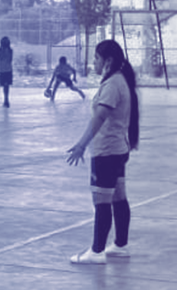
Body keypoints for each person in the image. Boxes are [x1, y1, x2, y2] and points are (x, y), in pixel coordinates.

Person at [65, 39, 140, 264]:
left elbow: (99, 117)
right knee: (118, 197)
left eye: (96, 58)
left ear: (108, 61)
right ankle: (120, 245)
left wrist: (81, 145)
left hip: (107, 152)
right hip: (118, 149)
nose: (94, 63)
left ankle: (96, 251)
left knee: (102, 201)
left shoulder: (112, 85)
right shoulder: (119, 80)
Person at [0, 37, 15, 108]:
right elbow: (9, 59)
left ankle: (6, 99)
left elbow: (1, 58)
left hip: (3, 70)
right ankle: (6, 99)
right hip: (7, 69)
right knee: (6, 85)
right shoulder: (9, 50)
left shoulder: (0, 50)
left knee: (5, 85)